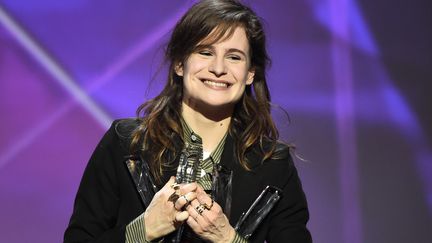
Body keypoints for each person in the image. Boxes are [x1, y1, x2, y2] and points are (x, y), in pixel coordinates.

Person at [64, 0, 312, 242]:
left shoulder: (273, 165)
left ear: (250, 74)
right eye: (205, 52)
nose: (218, 68)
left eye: (234, 57)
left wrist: (227, 239)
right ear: (180, 64)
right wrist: (144, 229)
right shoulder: (126, 144)